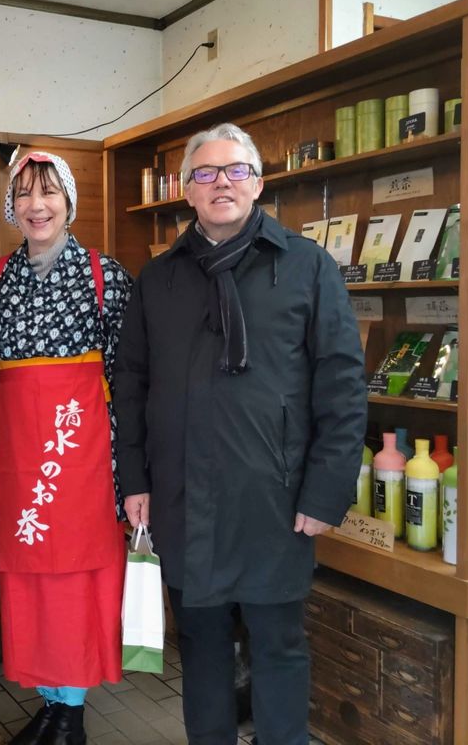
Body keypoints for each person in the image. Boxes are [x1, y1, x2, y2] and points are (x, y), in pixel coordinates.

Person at [113, 123, 367, 745]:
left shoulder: (306, 267)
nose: (220, 182)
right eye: (205, 173)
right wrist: (135, 479)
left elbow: (342, 384)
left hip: (274, 498)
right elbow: (131, 386)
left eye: (234, 171)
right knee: (200, 648)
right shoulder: (159, 278)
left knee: (278, 644)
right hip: (182, 496)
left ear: (257, 183)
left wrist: (324, 491)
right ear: (188, 192)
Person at [0, 152, 132, 745]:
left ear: (69, 202)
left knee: (80, 574)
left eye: (49, 193)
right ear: (11, 207)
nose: (37, 205)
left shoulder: (106, 277)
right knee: (32, 573)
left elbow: (132, 382)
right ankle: (53, 704)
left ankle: (73, 711)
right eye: (25, 194)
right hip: (18, 449)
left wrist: (131, 471)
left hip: (85, 454)